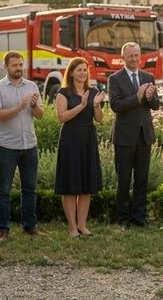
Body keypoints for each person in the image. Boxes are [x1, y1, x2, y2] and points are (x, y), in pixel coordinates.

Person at [0, 51, 44, 242]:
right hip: (7, 146)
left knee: (29, 189)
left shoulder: (32, 86)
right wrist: (20, 107)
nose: (19, 68)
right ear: (6, 67)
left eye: (21, 64)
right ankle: (3, 229)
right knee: (3, 190)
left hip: (29, 144)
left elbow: (40, 115)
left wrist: (34, 106)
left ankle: (30, 226)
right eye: (14, 65)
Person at [108, 43, 160, 228]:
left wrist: (150, 98)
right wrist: (137, 98)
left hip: (144, 135)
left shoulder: (148, 77)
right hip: (124, 137)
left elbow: (155, 105)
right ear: (123, 57)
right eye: (130, 55)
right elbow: (115, 105)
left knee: (142, 179)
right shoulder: (115, 79)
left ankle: (140, 217)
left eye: (136, 55)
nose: (134, 59)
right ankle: (123, 219)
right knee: (123, 180)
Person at [55, 57, 106, 237]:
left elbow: (99, 119)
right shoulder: (63, 93)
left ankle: (82, 226)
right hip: (70, 139)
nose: (83, 73)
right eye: (79, 70)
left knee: (86, 185)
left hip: (88, 138)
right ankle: (72, 228)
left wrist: (96, 105)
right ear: (71, 73)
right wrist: (82, 106)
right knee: (70, 184)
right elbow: (61, 117)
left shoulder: (93, 92)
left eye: (85, 70)